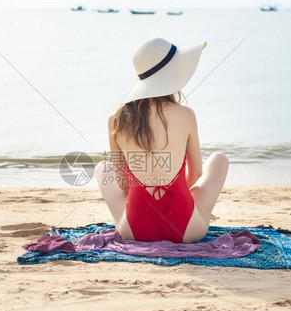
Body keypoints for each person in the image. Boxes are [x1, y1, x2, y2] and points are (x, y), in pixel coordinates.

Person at [95, 38, 229, 243]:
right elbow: (196, 173)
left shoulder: (116, 119)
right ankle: (185, 206)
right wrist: (174, 193)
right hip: (186, 229)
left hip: (134, 230)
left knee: (103, 168)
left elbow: (123, 184)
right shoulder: (186, 115)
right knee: (219, 159)